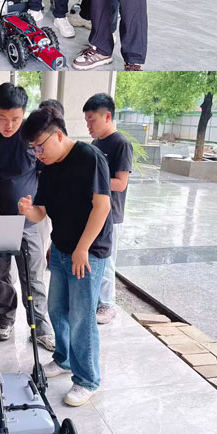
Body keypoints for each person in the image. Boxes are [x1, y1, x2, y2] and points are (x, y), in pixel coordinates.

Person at [19, 104, 112, 407]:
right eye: (33, 149)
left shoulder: (90, 157)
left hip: (88, 252)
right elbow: (41, 212)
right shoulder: (49, 166)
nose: (37, 153)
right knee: (57, 309)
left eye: (40, 146)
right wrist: (27, 210)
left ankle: (87, 380)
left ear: (58, 135)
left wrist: (82, 248)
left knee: (82, 317)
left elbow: (102, 207)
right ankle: (64, 359)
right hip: (60, 249)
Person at [0, 82, 55, 349]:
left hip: (29, 220)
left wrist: (40, 205)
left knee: (33, 275)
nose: (9, 125)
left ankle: (40, 326)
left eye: (15, 118)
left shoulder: (32, 136)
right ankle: (5, 319)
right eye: (3, 118)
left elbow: (46, 171)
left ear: (24, 113)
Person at [83, 93, 133, 325]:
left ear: (108, 116)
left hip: (112, 214)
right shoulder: (96, 144)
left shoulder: (121, 143)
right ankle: (96, 301)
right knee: (95, 258)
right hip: (94, 211)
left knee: (107, 261)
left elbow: (121, 183)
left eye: (92, 120)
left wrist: (90, 181)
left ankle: (108, 304)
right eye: (87, 121)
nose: (89, 125)